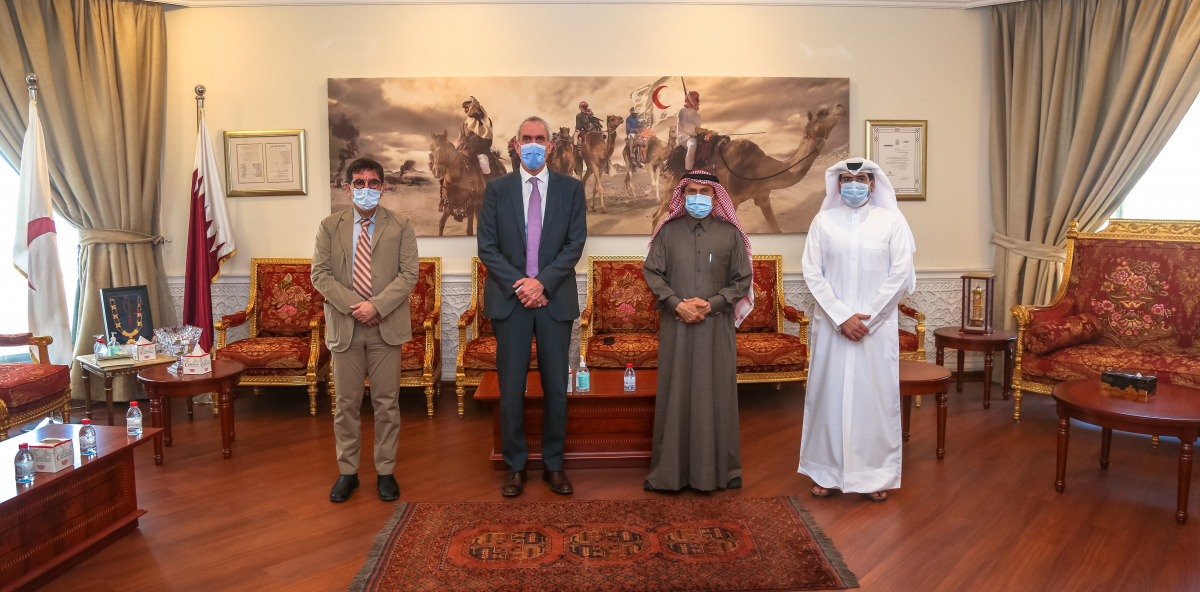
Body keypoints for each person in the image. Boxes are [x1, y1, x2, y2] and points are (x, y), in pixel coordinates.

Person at [477, 116, 588, 497]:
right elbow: (487, 248)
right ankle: (515, 466)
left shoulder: (572, 190)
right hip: (511, 302)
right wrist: (522, 286)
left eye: (540, 138)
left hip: (554, 300)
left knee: (557, 388)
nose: (534, 144)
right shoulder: (496, 190)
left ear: (551, 145)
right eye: (527, 138)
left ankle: (554, 466)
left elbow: (574, 245)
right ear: (515, 143)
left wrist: (542, 284)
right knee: (511, 389)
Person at [798, 157, 916, 503]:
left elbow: (900, 275)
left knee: (874, 400)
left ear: (873, 184)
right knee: (828, 397)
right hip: (833, 327)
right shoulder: (823, 222)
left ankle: (875, 474)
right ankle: (825, 472)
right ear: (837, 185)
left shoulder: (892, 221)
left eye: (861, 178)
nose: (853, 184)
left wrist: (867, 319)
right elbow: (812, 273)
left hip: (874, 331)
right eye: (846, 179)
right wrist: (840, 316)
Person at [312, 157, 420, 503]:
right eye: (359, 183)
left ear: (383, 188)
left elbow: (409, 275)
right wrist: (357, 307)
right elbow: (321, 275)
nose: (367, 189)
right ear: (347, 189)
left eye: (373, 183)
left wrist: (376, 306)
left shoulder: (402, 225)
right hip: (345, 327)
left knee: (387, 403)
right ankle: (348, 472)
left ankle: (385, 471)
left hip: (385, 327)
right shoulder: (329, 226)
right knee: (345, 403)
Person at [643, 170, 753, 492]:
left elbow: (742, 280)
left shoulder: (730, 234)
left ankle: (723, 471)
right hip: (676, 324)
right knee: (675, 394)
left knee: (716, 393)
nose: (698, 197)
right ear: (682, 195)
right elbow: (653, 272)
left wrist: (712, 303)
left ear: (716, 198)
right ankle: (669, 473)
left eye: (705, 191)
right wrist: (677, 304)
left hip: (716, 327)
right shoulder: (667, 233)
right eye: (691, 190)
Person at [457, 96, 494, 174]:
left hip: (481, 152)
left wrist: (473, 142)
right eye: (463, 108)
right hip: (466, 153)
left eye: (466, 107)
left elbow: (488, 139)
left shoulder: (486, 121)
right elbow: (460, 140)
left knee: (485, 169)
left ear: (473, 106)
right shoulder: (464, 123)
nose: (465, 110)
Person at [676, 91, 705, 170]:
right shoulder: (683, 111)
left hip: (694, 137)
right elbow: (683, 126)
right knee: (692, 145)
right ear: (691, 99)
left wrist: (705, 133)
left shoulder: (698, 116)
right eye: (697, 99)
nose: (698, 101)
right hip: (684, 136)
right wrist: (697, 129)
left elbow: (697, 130)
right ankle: (687, 172)